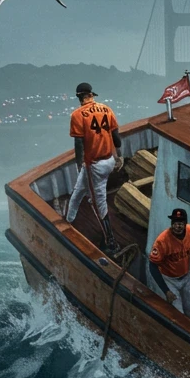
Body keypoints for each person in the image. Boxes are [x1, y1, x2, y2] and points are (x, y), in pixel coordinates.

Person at [65, 81, 124, 253]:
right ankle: (69, 219)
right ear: (91, 95)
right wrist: (119, 157)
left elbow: (79, 143)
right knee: (78, 190)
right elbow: (116, 138)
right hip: (109, 161)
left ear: (79, 97)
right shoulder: (107, 109)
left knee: (100, 204)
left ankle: (111, 242)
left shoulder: (77, 115)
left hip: (95, 165)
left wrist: (78, 164)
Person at [148, 207, 190, 322]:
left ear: (185, 223)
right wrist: (166, 291)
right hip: (169, 280)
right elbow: (153, 266)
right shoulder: (162, 241)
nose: (177, 226)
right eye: (175, 223)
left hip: (186, 277)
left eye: (180, 223)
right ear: (171, 224)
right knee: (178, 315)